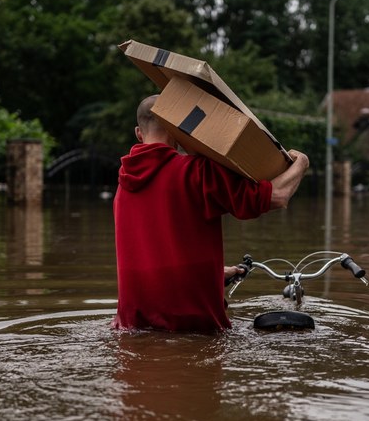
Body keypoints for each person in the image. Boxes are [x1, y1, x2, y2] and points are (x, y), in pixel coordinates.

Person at [113, 94, 309, 332]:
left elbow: (157, 255)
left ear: (138, 133)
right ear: (178, 128)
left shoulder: (123, 187)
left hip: (132, 324)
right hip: (193, 325)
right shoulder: (197, 172)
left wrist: (216, 274)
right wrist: (301, 163)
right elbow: (276, 196)